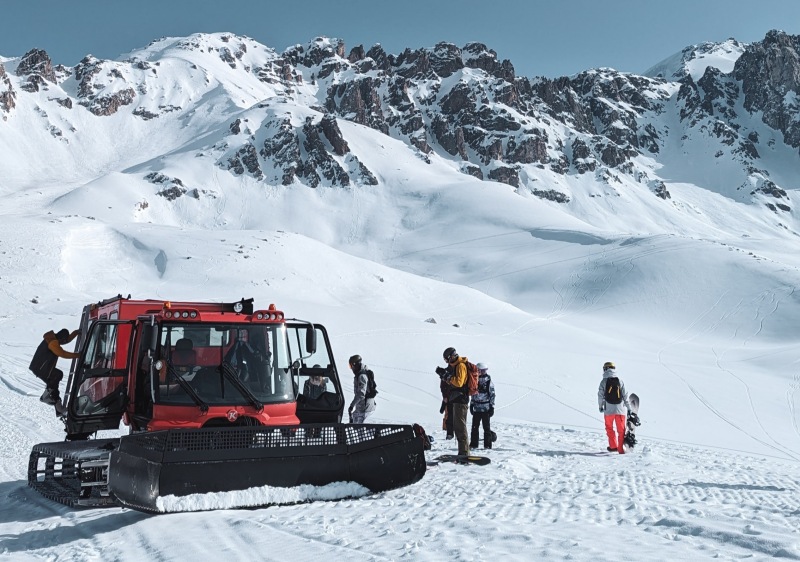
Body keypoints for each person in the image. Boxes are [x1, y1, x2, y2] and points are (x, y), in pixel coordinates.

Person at [29, 328, 80, 416]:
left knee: (54, 383)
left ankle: (58, 409)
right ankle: (47, 396)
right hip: (40, 368)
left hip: (41, 367)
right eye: (63, 340)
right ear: (61, 338)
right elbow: (62, 353)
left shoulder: (54, 339)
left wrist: (75, 333)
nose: (63, 342)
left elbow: (66, 340)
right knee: (57, 375)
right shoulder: (53, 343)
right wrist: (78, 355)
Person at [436, 347, 470, 457]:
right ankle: (462, 451)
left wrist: (447, 377)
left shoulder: (460, 365)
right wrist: (444, 374)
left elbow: (459, 383)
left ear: (451, 357)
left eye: (447, 359)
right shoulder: (455, 366)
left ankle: (464, 452)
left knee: (460, 427)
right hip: (456, 400)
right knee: (458, 426)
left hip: (461, 400)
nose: (447, 362)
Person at [597, 361, 630, 454]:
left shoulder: (603, 381)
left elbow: (600, 395)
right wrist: (629, 407)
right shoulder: (620, 380)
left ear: (605, 369)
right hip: (620, 410)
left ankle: (613, 446)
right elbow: (625, 395)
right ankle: (620, 449)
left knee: (609, 427)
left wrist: (600, 406)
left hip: (608, 410)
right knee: (621, 430)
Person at [469, 362, 496, 449]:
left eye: (484, 371)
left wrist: (492, 406)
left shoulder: (488, 382)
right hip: (477, 407)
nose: (483, 373)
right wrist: (472, 404)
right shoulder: (474, 381)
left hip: (485, 408)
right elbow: (473, 393)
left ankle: (487, 445)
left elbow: (492, 394)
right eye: (481, 371)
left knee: (486, 428)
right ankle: (473, 444)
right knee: (474, 427)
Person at [347, 354, 376, 423]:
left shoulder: (362, 376)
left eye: (351, 366)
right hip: (363, 406)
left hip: (365, 407)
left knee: (359, 425)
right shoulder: (360, 374)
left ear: (355, 365)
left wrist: (352, 405)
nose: (351, 368)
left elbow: (361, 394)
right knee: (355, 419)